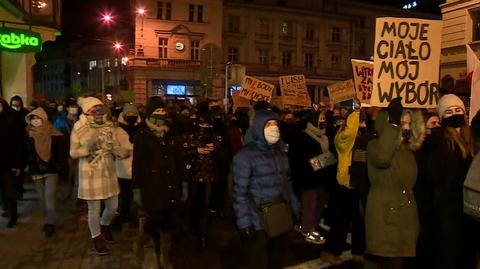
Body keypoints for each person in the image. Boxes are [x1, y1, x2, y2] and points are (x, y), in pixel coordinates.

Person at [232, 108, 300, 269]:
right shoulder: (244, 157)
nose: (273, 128)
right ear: (258, 127)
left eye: (275, 124)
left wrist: (295, 209)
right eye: (268, 124)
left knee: (276, 261)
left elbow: (287, 185)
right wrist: (245, 223)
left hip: (279, 218)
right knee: (258, 262)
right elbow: (239, 195)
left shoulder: (281, 154)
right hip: (257, 222)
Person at [365, 98, 424, 269]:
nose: (405, 127)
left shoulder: (407, 149)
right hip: (386, 217)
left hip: (403, 218)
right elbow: (383, 158)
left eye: (408, 123)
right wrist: (393, 123)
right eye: (401, 123)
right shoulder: (375, 145)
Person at [132, 96, 188, 269]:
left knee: (169, 224)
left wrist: (184, 183)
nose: (161, 115)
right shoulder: (142, 134)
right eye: (157, 112)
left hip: (170, 185)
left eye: (163, 112)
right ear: (150, 114)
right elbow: (138, 164)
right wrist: (137, 189)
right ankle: (140, 243)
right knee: (153, 221)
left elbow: (179, 159)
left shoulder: (171, 133)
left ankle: (165, 256)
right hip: (152, 186)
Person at [422, 94, 475, 269]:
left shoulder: (470, 140)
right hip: (447, 209)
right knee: (448, 254)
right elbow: (434, 176)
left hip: (467, 208)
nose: (454, 114)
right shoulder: (440, 141)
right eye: (449, 111)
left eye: (458, 110)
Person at [70, 97, 128, 255]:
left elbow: (114, 145)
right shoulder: (79, 127)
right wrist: (87, 148)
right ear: (87, 110)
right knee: (93, 209)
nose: (98, 112)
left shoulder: (108, 126)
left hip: (108, 171)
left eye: (100, 108)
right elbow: (73, 152)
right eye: (94, 109)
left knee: (113, 206)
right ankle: (97, 237)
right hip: (90, 172)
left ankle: (105, 224)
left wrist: (120, 151)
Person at [289, 111, 335, 245]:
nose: (322, 120)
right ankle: (308, 229)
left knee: (318, 204)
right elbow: (301, 160)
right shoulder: (303, 136)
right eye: (320, 118)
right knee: (310, 204)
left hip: (320, 177)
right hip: (308, 178)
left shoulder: (322, 136)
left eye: (323, 118)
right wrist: (328, 159)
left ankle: (306, 224)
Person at [24, 107, 67, 237]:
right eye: (33, 119)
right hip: (36, 171)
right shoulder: (28, 135)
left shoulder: (54, 134)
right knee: (42, 199)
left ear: (44, 119)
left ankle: (50, 223)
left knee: (49, 197)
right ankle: (46, 220)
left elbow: (60, 155)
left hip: (51, 170)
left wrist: (62, 170)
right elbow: (26, 153)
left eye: (38, 118)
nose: (36, 121)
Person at [115, 103, 142, 227]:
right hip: (122, 169)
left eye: (133, 115)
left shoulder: (141, 129)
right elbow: (114, 147)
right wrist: (122, 151)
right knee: (125, 196)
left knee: (136, 196)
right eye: (129, 115)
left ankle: (134, 217)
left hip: (137, 169)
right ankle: (124, 217)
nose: (131, 117)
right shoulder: (117, 130)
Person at [0, 98, 23, 228]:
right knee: (2, 191)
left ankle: (13, 216)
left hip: (9, 164)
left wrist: (17, 164)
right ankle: (6, 210)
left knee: (10, 191)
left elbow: (17, 145)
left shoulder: (11, 121)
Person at [53, 97, 80, 201]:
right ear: (67, 108)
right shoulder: (60, 121)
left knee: (78, 178)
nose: (74, 109)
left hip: (79, 153)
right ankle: (66, 195)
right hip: (66, 154)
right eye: (72, 107)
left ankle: (76, 198)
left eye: (75, 106)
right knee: (67, 176)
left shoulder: (80, 120)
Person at [10, 95, 29, 199]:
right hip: (12, 147)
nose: (16, 108)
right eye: (13, 106)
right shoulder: (8, 116)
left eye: (18, 105)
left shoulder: (25, 114)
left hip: (23, 146)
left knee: (21, 168)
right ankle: (17, 190)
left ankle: (20, 189)